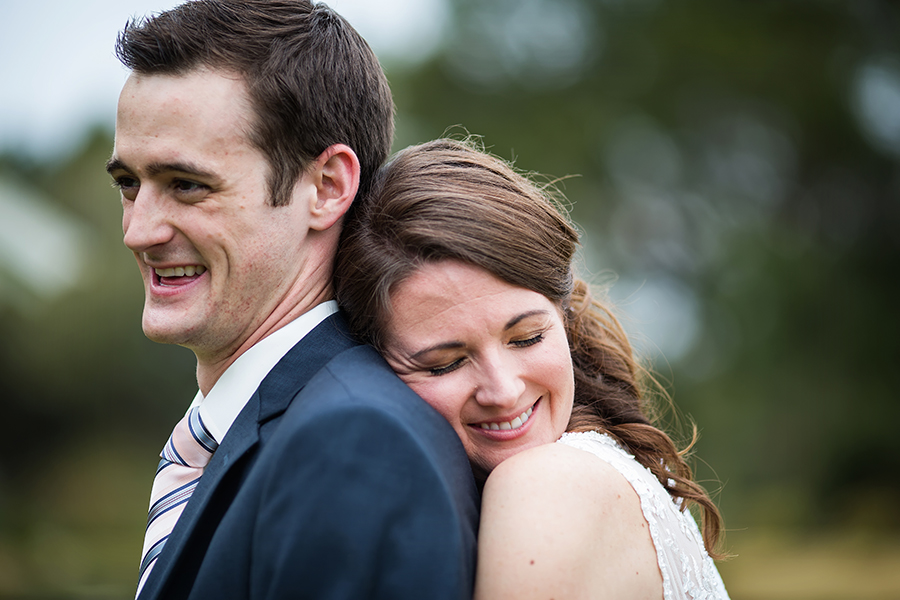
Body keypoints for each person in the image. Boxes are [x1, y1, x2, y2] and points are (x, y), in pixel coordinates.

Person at [106, 3, 479, 599]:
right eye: (129, 184)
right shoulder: (268, 427)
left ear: (326, 188)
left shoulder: (356, 445)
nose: (139, 231)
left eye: (187, 185)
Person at [335, 138, 731, 599]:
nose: (502, 391)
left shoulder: (545, 485)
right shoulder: (599, 463)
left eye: (526, 338)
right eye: (445, 364)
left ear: (562, 314)